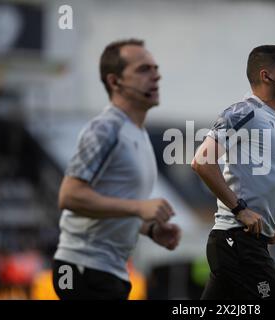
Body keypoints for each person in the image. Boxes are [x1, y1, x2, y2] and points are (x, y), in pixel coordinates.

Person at [52, 39, 181, 300]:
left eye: (155, 68)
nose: (156, 75)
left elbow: (109, 208)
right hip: (81, 268)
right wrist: (138, 209)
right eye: (143, 69)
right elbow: (70, 196)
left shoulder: (138, 133)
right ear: (115, 81)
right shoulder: (105, 128)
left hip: (109, 271)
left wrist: (150, 229)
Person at [191, 45, 275, 299]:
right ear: (266, 76)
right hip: (238, 241)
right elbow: (202, 162)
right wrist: (241, 210)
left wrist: (271, 220)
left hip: (245, 242)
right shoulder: (244, 112)